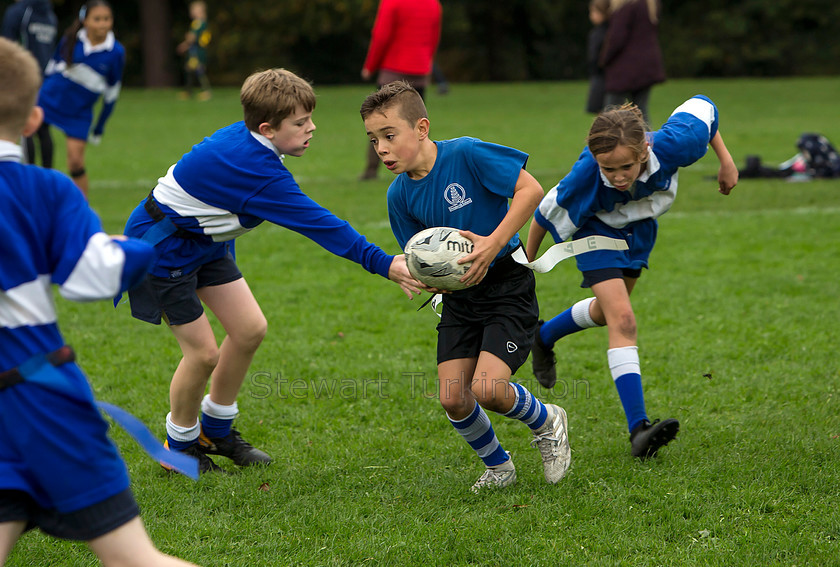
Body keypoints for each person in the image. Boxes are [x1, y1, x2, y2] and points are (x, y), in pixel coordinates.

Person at [122, 68, 422, 475]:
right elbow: (320, 224)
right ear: (266, 128)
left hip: (201, 242)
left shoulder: (253, 143)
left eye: (310, 118)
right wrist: (383, 263)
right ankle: (179, 446)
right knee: (203, 354)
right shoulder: (257, 171)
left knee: (248, 330)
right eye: (300, 123)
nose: (311, 128)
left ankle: (216, 431)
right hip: (163, 249)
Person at [0, 38, 198, 567]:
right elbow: (92, 278)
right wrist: (133, 248)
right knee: (136, 559)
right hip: (42, 397)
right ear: (34, 119)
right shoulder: (46, 189)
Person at [360, 81, 571, 492]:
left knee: (488, 389)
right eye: (373, 140)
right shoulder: (398, 195)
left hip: (506, 284)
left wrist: (492, 244)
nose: (381, 149)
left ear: (421, 128)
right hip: (461, 298)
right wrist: (417, 277)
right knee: (453, 398)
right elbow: (417, 254)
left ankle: (548, 421)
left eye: (389, 136)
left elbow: (531, 190)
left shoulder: (467, 153)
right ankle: (499, 466)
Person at [526, 95, 739, 459]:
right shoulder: (585, 177)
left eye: (626, 166)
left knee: (606, 312)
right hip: (594, 233)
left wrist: (725, 159)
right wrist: (525, 269)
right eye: (609, 169)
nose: (618, 176)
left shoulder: (676, 144)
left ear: (644, 150)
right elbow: (544, 217)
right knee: (623, 319)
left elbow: (705, 108)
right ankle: (639, 430)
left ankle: (544, 336)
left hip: (638, 231)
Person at [37, 0, 124, 198]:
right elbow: (51, 68)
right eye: (97, 19)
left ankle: (81, 211)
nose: (102, 24)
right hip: (50, 100)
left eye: (107, 19)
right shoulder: (71, 38)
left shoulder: (116, 52)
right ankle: (39, 188)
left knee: (76, 161)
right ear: (85, 21)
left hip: (79, 112)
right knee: (36, 138)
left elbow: (112, 92)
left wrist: (100, 126)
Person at [359, 0, 442, 180]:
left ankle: (371, 170)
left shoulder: (392, 2)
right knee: (417, 122)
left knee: (379, 123)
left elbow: (381, 35)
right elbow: (434, 37)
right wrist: (427, 61)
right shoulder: (432, 4)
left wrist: (370, 66)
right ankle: (425, 169)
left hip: (394, 69)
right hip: (419, 69)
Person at [1, 0, 57, 167]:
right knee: (43, 128)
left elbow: (6, 45)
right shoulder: (50, 14)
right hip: (46, 79)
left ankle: (30, 170)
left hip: (23, 77)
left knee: (25, 127)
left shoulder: (19, 11)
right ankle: (47, 172)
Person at [600, 0, 664, 124]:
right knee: (641, 112)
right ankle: (646, 142)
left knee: (610, 115)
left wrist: (604, 59)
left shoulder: (625, 7)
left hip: (625, 69)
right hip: (647, 67)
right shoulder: (649, 6)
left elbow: (616, 39)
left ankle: (605, 142)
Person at [176, 1, 211, 101]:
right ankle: (188, 91)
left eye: (193, 10)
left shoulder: (199, 23)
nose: (191, 12)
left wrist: (184, 44)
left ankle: (206, 91)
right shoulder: (198, 23)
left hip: (198, 51)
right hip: (193, 51)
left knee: (199, 70)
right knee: (189, 69)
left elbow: (193, 38)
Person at [585, 0, 610, 114]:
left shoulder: (602, 34)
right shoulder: (599, 32)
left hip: (602, 77)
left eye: (594, 12)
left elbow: (595, 56)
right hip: (599, 76)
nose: (591, 15)